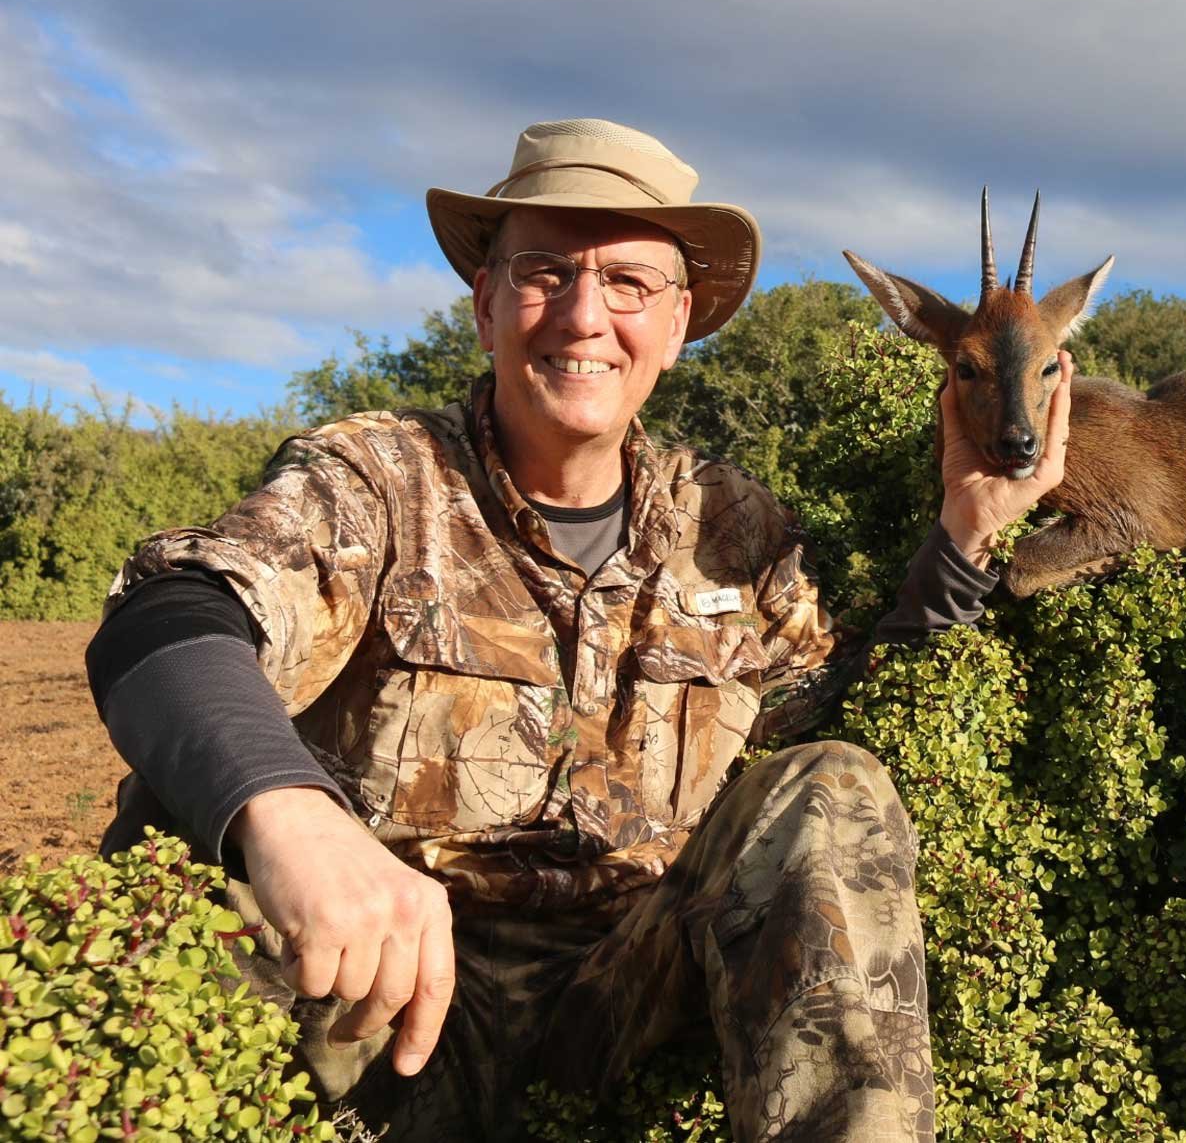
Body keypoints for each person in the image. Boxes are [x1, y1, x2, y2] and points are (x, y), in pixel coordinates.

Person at [84, 118, 1073, 1142]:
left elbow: (837, 731)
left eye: (629, 283)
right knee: (186, 828)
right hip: (385, 996)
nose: (584, 315)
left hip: (620, 1003)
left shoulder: (732, 524)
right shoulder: (378, 479)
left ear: (678, 323)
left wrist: (965, 535)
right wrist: (294, 817)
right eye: (545, 272)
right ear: (485, 304)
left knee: (834, 781)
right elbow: (172, 612)